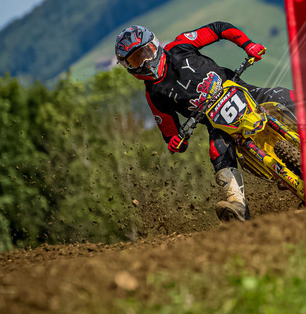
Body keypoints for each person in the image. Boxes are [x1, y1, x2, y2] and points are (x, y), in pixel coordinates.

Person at [114, 22, 296, 222]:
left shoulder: (180, 46)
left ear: (154, 45)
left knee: (283, 96)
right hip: (217, 125)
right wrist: (176, 142)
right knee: (218, 152)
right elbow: (170, 133)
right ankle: (237, 204)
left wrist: (247, 45)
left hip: (240, 91)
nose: (143, 61)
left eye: (144, 53)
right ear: (128, 66)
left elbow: (218, 29)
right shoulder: (154, 94)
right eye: (135, 59)